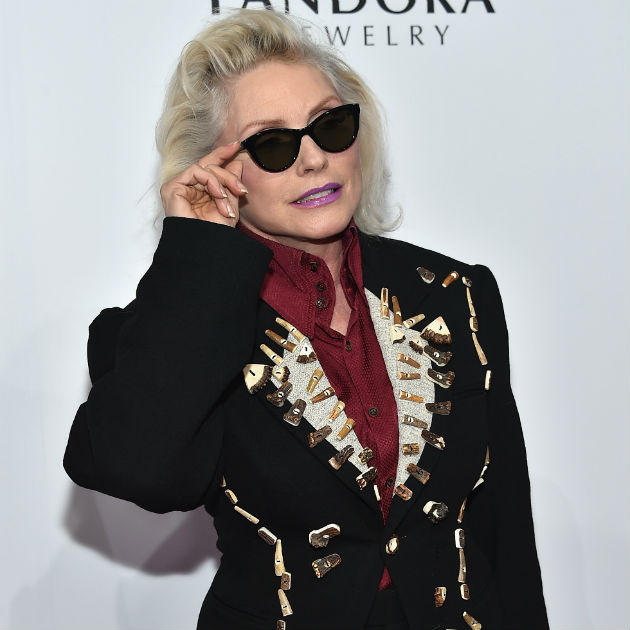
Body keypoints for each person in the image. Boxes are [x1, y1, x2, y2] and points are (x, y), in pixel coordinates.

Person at [64, 9, 548, 630]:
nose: (314, 159)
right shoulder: (178, 323)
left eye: (331, 125)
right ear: (217, 170)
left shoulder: (457, 295)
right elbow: (146, 474)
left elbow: (503, 526)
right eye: (272, 143)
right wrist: (199, 256)